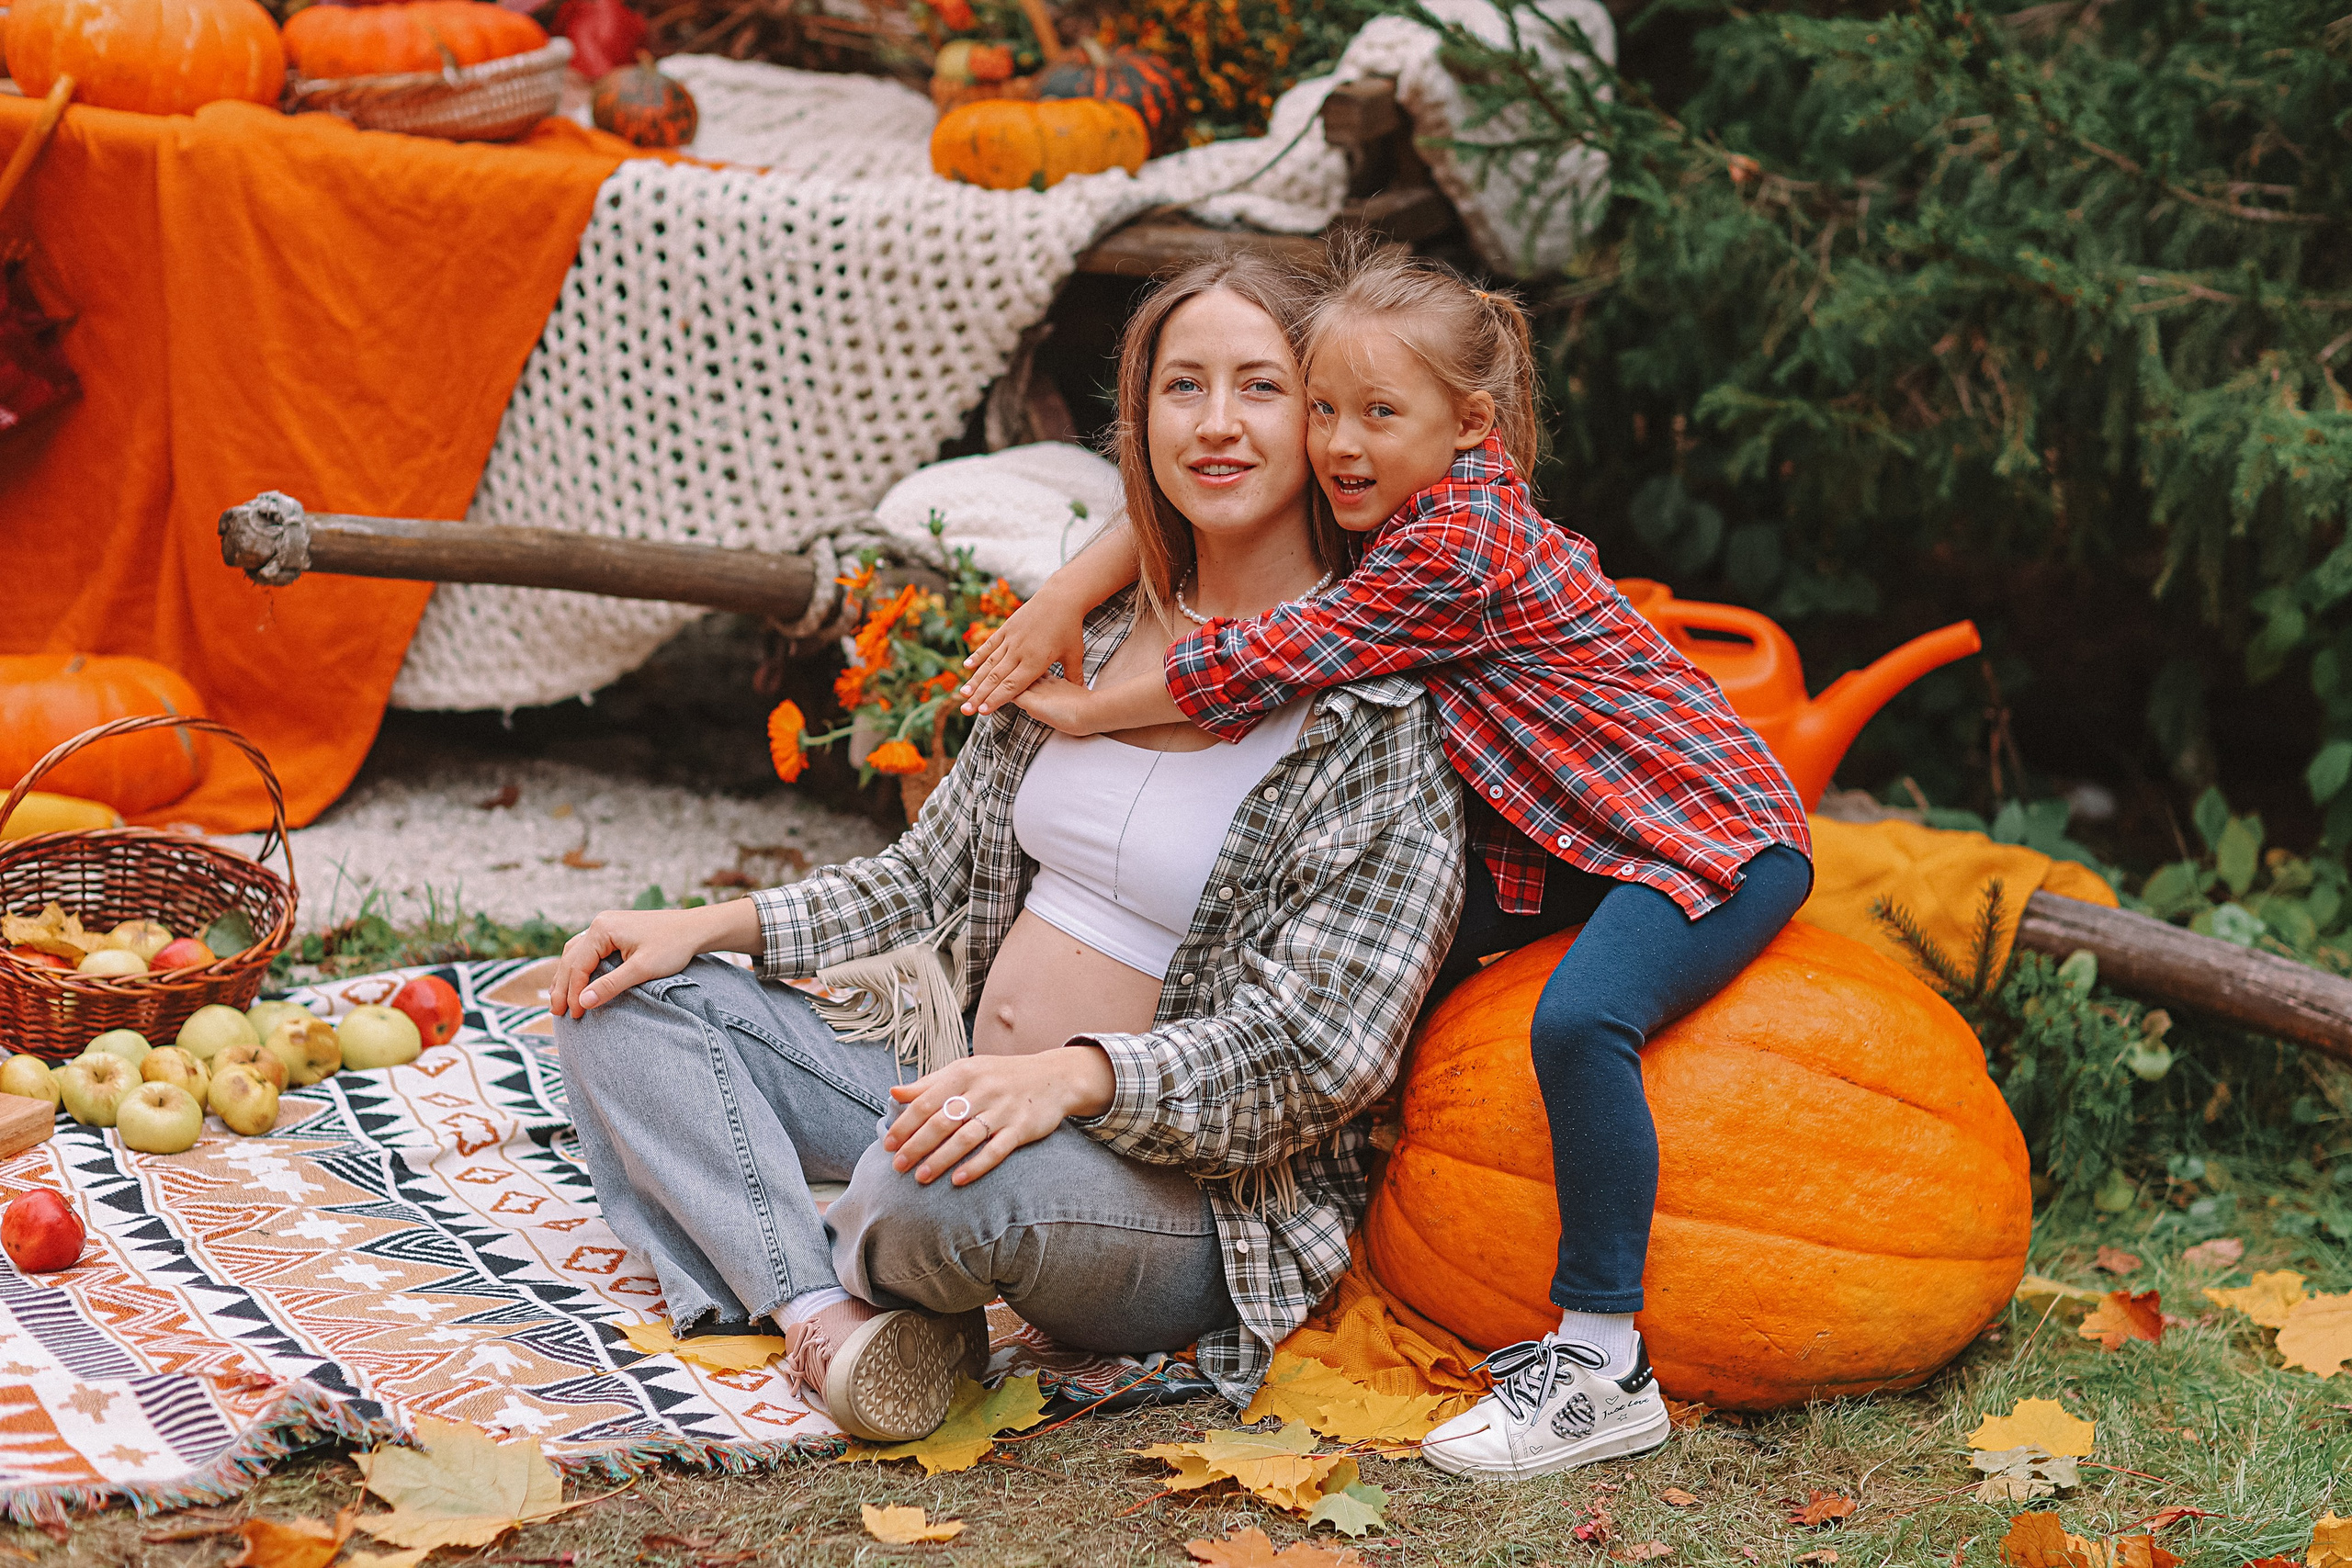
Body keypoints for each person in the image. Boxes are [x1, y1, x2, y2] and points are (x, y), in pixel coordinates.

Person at [547, 251, 1465, 1445]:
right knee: (617, 1001)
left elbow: (1316, 1053)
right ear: (1139, 416)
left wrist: (1075, 1077)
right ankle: (828, 1317)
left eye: (1262, 386)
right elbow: (927, 875)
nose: (1218, 424)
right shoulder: (1089, 635)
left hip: (1170, 1194)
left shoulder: (1378, 717)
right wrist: (704, 930)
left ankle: (811, 1244)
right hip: (965, 1082)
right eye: (1183, 386)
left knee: (923, 1188)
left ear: (1328, 418)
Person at [957, 243, 1815, 1480]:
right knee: (1411, 965)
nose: (1340, 444)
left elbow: (1274, 654)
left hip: (1709, 840)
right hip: (1587, 832)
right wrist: (1062, 596)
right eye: (1321, 411)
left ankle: (1602, 1361)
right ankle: (1344, 1218)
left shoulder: (1451, 546)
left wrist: (1091, 708)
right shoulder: (1403, 509)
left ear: (1468, 424)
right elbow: (1164, 508)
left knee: (1579, 1026)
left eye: (1377, 414)